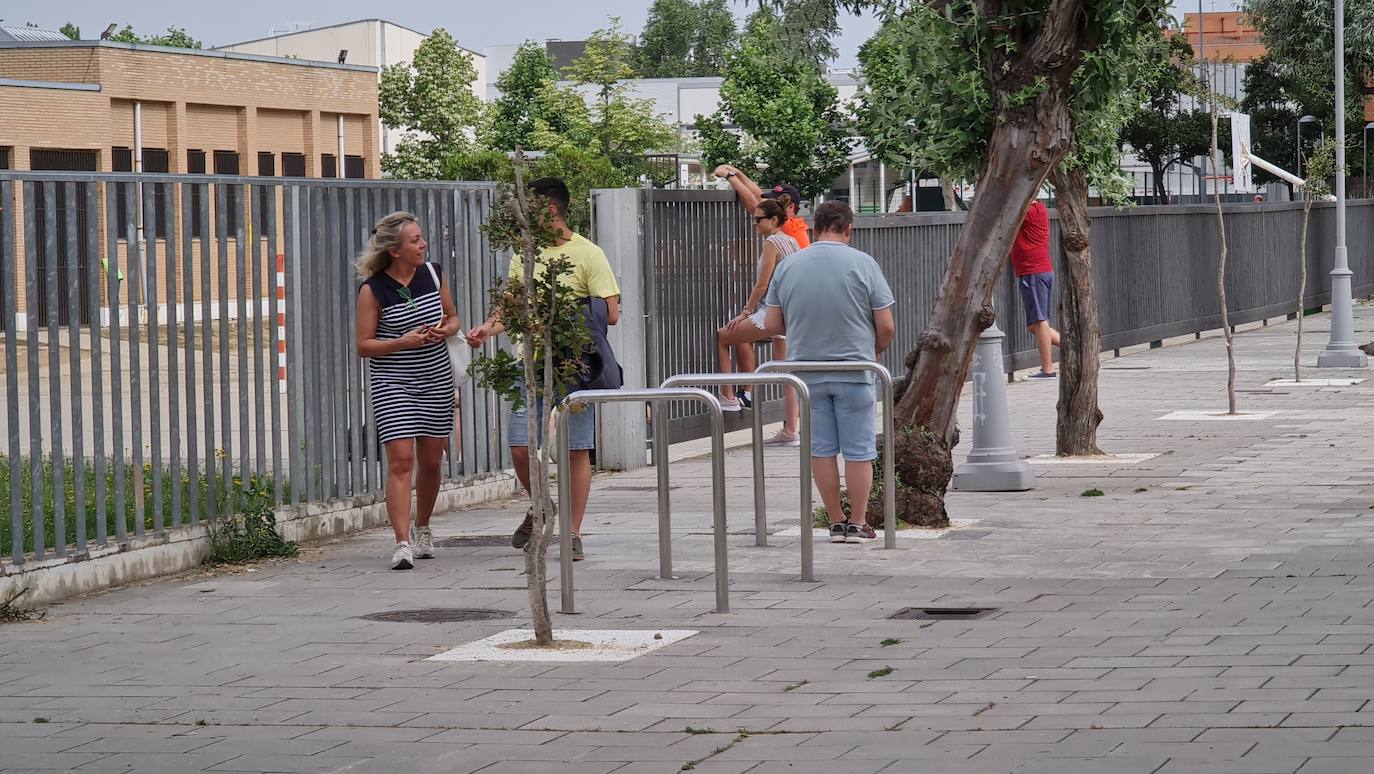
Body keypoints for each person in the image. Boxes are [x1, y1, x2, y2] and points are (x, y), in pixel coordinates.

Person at [466, 178, 620, 562]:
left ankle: (572, 532)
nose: (521, 215)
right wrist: (488, 327)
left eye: (528, 207)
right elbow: (510, 305)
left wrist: (563, 316)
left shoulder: (589, 254)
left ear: (550, 209)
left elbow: (612, 313)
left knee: (575, 448)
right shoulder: (525, 255)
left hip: (575, 365)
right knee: (520, 445)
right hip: (530, 364)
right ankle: (541, 508)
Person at [763, 202, 895, 543]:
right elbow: (886, 325)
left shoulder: (788, 266)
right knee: (859, 450)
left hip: (807, 371)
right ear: (848, 228)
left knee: (820, 449)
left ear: (814, 226)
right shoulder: (864, 264)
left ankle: (835, 523)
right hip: (856, 368)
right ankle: (858, 523)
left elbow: (774, 324)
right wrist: (873, 350)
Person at [355, 212, 461, 570]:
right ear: (395, 250)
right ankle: (402, 542)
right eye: (415, 240)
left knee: (432, 460)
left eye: (421, 238)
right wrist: (402, 341)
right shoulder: (373, 289)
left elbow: (453, 316)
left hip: (435, 378)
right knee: (401, 461)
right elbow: (364, 345)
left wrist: (445, 331)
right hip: (394, 383)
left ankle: (424, 527)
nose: (423, 244)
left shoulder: (433, 273)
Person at [713, 199, 802, 444]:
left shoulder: (771, 242)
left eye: (758, 219)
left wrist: (745, 311)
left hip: (770, 312)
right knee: (786, 373)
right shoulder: (792, 241)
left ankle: (728, 396)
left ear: (773, 220)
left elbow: (762, 284)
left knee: (723, 336)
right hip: (790, 313)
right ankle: (791, 430)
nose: (754, 223)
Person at [1012, 198, 1060, 379]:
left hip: (1033, 272)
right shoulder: (1039, 208)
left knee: (1039, 321)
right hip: (1039, 271)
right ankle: (1080, 349)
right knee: (1034, 325)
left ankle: (1048, 370)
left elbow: (1005, 214)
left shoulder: (1028, 211)